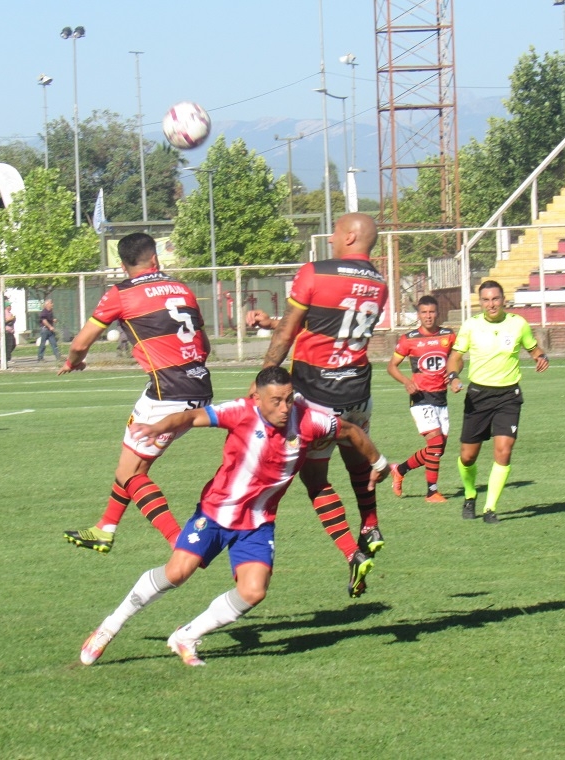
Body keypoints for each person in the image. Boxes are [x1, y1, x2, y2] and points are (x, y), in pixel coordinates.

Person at [79, 366, 389, 667]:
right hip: (215, 514)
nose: (284, 408)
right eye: (276, 401)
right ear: (258, 399)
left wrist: (379, 462)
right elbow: (192, 416)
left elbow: (350, 430)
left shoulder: (309, 420)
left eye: (289, 398)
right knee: (177, 573)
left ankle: (187, 636)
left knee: (254, 591)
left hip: (258, 524)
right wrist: (159, 426)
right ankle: (109, 627)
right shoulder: (240, 412)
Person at [246, 212, 388, 597]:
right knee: (358, 460)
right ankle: (370, 524)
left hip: (317, 395)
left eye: (337, 233)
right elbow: (332, 320)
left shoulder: (314, 272)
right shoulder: (379, 283)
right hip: (357, 390)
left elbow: (289, 331)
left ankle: (350, 554)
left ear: (353, 235)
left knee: (316, 480)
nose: (330, 240)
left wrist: (264, 378)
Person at [60, 232, 213, 554]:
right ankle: (105, 529)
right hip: (200, 385)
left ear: (122, 264)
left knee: (128, 473)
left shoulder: (121, 293)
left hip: (168, 391)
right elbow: (205, 346)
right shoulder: (182, 288)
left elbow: (79, 343)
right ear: (154, 258)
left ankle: (179, 544)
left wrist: (75, 362)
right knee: (134, 467)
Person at [446, 280, 549, 523]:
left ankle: (490, 508)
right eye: (486, 300)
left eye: (495, 299)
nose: (491, 304)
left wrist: (541, 357)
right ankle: (470, 495)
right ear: (480, 302)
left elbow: (533, 349)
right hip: (478, 396)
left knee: (504, 451)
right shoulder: (471, 326)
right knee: (468, 456)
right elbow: (456, 356)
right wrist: (453, 375)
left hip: (508, 397)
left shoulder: (518, 324)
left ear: (503, 300)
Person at [386, 295, 456, 503]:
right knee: (435, 442)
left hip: (441, 398)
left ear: (438, 313)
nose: (428, 316)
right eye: (424, 312)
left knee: (438, 449)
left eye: (432, 312)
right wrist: (407, 382)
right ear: (418, 315)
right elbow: (392, 366)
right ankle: (432, 492)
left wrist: (453, 376)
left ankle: (399, 470)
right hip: (420, 398)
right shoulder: (409, 339)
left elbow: (455, 359)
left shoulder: (448, 335)